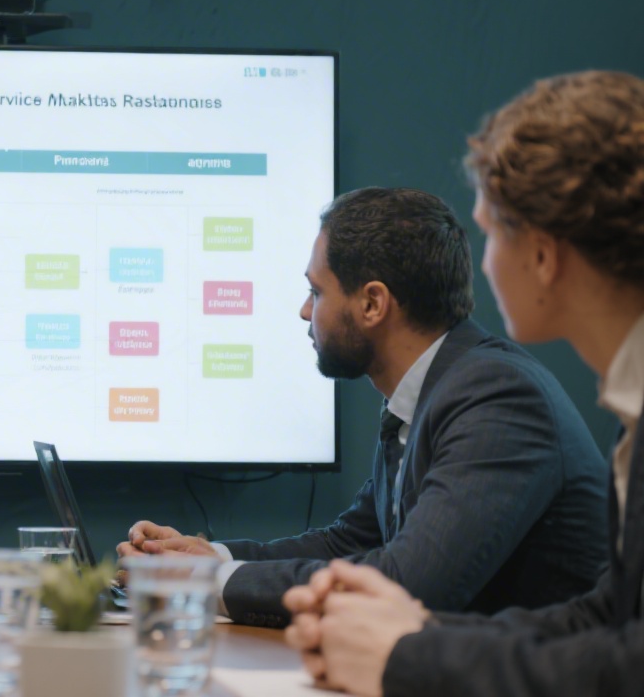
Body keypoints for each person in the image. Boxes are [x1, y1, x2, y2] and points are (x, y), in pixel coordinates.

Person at [284, 70, 644, 697]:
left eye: (492, 233)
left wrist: (408, 656)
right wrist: (412, 636)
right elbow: (608, 620)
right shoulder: (631, 411)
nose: (483, 262)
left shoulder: (499, 390)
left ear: (543, 256)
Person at [118, 187, 608, 627]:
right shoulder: (431, 393)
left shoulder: (497, 396)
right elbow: (349, 542)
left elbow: (409, 583)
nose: (305, 311)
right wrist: (211, 557)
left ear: (373, 304)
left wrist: (206, 582)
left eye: (316, 291)